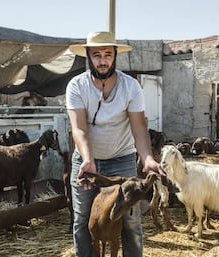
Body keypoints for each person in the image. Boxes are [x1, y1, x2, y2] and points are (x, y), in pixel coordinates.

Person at [65, 31, 166, 257]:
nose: (103, 60)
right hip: (86, 162)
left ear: (115, 56)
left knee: (130, 222)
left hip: (121, 161)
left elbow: (139, 128)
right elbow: (79, 128)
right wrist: (88, 159)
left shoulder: (130, 87)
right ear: (88, 57)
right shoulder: (76, 86)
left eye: (108, 54)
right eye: (97, 55)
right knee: (81, 219)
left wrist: (148, 158)